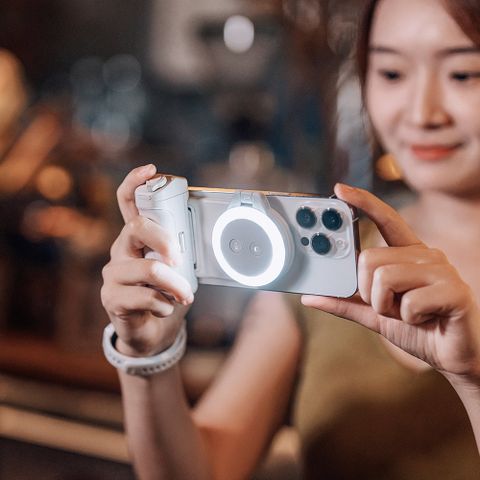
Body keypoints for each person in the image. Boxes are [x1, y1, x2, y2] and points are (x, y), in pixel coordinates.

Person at [100, 0, 480, 478]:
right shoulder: (322, 262)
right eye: (391, 72)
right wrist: (148, 355)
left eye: (464, 74)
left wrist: (472, 380)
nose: (422, 112)